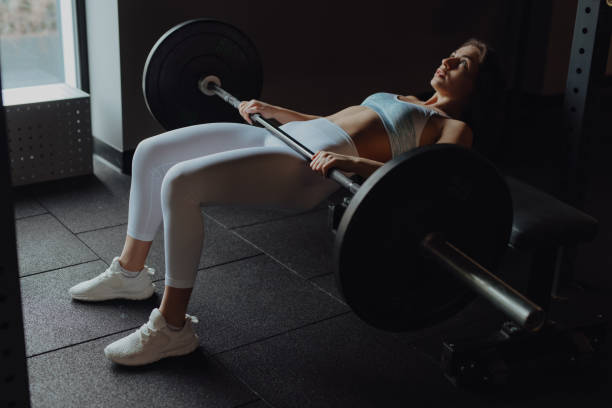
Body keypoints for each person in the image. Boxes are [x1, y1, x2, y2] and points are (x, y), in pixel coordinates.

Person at [68, 38, 505, 366]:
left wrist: (354, 162)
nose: (447, 60)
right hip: (282, 134)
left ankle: (172, 328)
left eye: (462, 61)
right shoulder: (402, 98)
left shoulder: (453, 127)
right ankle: (129, 273)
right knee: (151, 152)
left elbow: (428, 179)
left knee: (181, 183)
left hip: (305, 168)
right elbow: (330, 121)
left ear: (478, 84)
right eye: (452, 53)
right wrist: (277, 109)